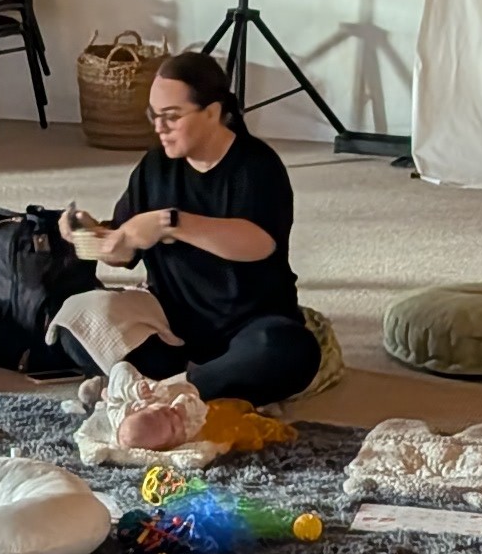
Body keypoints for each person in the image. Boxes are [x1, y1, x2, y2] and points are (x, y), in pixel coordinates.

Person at [55, 51, 320, 409]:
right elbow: (123, 251)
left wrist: (171, 223)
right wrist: (90, 234)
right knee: (76, 318)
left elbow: (259, 243)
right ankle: (182, 386)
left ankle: (163, 389)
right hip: (171, 330)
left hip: (250, 326)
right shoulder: (154, 166)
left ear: (212, 112)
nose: (159, 127)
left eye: (171, 116)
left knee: (288, 350)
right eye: (154, 115)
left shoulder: (256, 165)